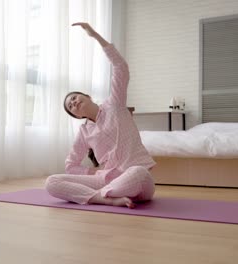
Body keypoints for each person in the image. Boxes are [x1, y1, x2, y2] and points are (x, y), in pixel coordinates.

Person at [45, 22, 156, 209]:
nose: (73, 103)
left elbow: (121, 67)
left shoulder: (115, 103)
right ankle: (106, 198)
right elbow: (71, 164)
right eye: (70, 106)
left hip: (136, 180)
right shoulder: (84, 131)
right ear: (77, 115)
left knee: (137, 172)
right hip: (106, 179)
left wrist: (96, 36)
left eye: (74, 98)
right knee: (51, 182)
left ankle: (101, 196)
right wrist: (93, 172)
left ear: (86, 96)